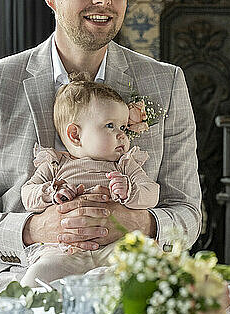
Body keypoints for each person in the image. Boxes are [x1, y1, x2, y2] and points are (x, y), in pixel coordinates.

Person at [0, 0, 201, 291]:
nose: (103, 0)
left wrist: (139, 223)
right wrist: (36, 228)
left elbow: (189, 215)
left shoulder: (166, 83)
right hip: (19, 279)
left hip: (131, 278)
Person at [19, 73, 159, 286]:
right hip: (65, 250)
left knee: (149, 263)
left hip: (114, 247)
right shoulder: (55, 164)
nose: (122, 135)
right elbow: (27, 195)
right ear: (75, 135)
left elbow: (152, 194)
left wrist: (130, 191)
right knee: (38, 274)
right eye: (110, 126)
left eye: (123, 127)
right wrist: (50, 192)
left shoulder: (123, 164)